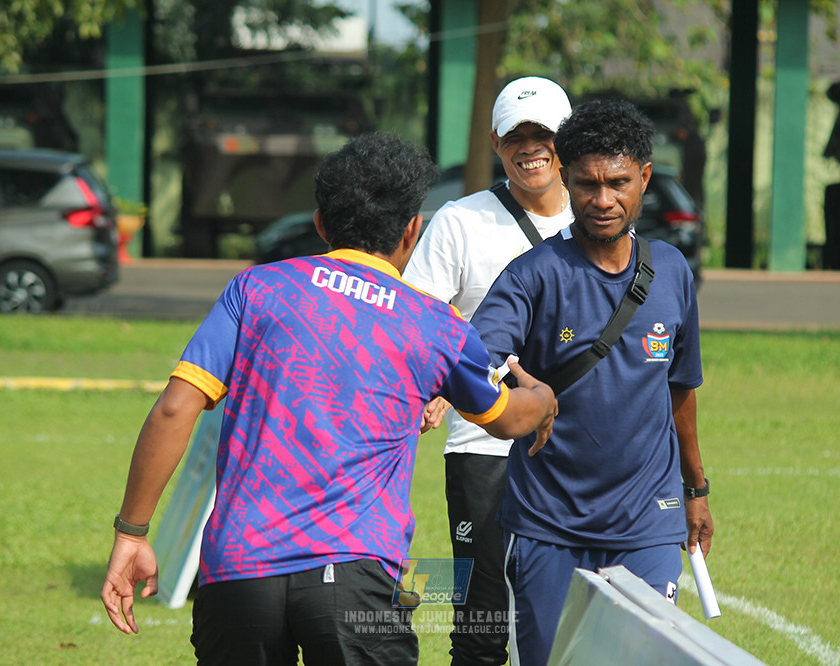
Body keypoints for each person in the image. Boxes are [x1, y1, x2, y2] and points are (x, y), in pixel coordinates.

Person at [100, 132, 558, 666]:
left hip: (238, 571)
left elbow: (175, 408)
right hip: (356, 577)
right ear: (413, 229)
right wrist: (544, 398)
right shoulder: (436, 324)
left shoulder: (256, 289)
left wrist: (132, 532)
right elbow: (505, 419)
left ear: (320, 223)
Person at [470, 99, 713, 665]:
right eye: (587, 184)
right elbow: (475, 355)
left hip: (647, 525)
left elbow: (681, 389)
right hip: (548, 524)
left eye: (619, 183)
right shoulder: (534, 275)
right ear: (565, 177)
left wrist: (696, 492)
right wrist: (521, 393)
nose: (603, 199)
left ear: (645, 179)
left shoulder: (673, 271)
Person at [402, 76, 572, 666]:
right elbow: (416, 324)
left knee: (568, 617)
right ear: (495, 142)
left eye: (543, 134)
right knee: (480, 624)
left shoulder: (599, 213)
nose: (530, 148)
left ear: (566, 140)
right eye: (515, 136)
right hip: (484, 445)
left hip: (580, 450)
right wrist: (441, 387)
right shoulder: (459, 220)